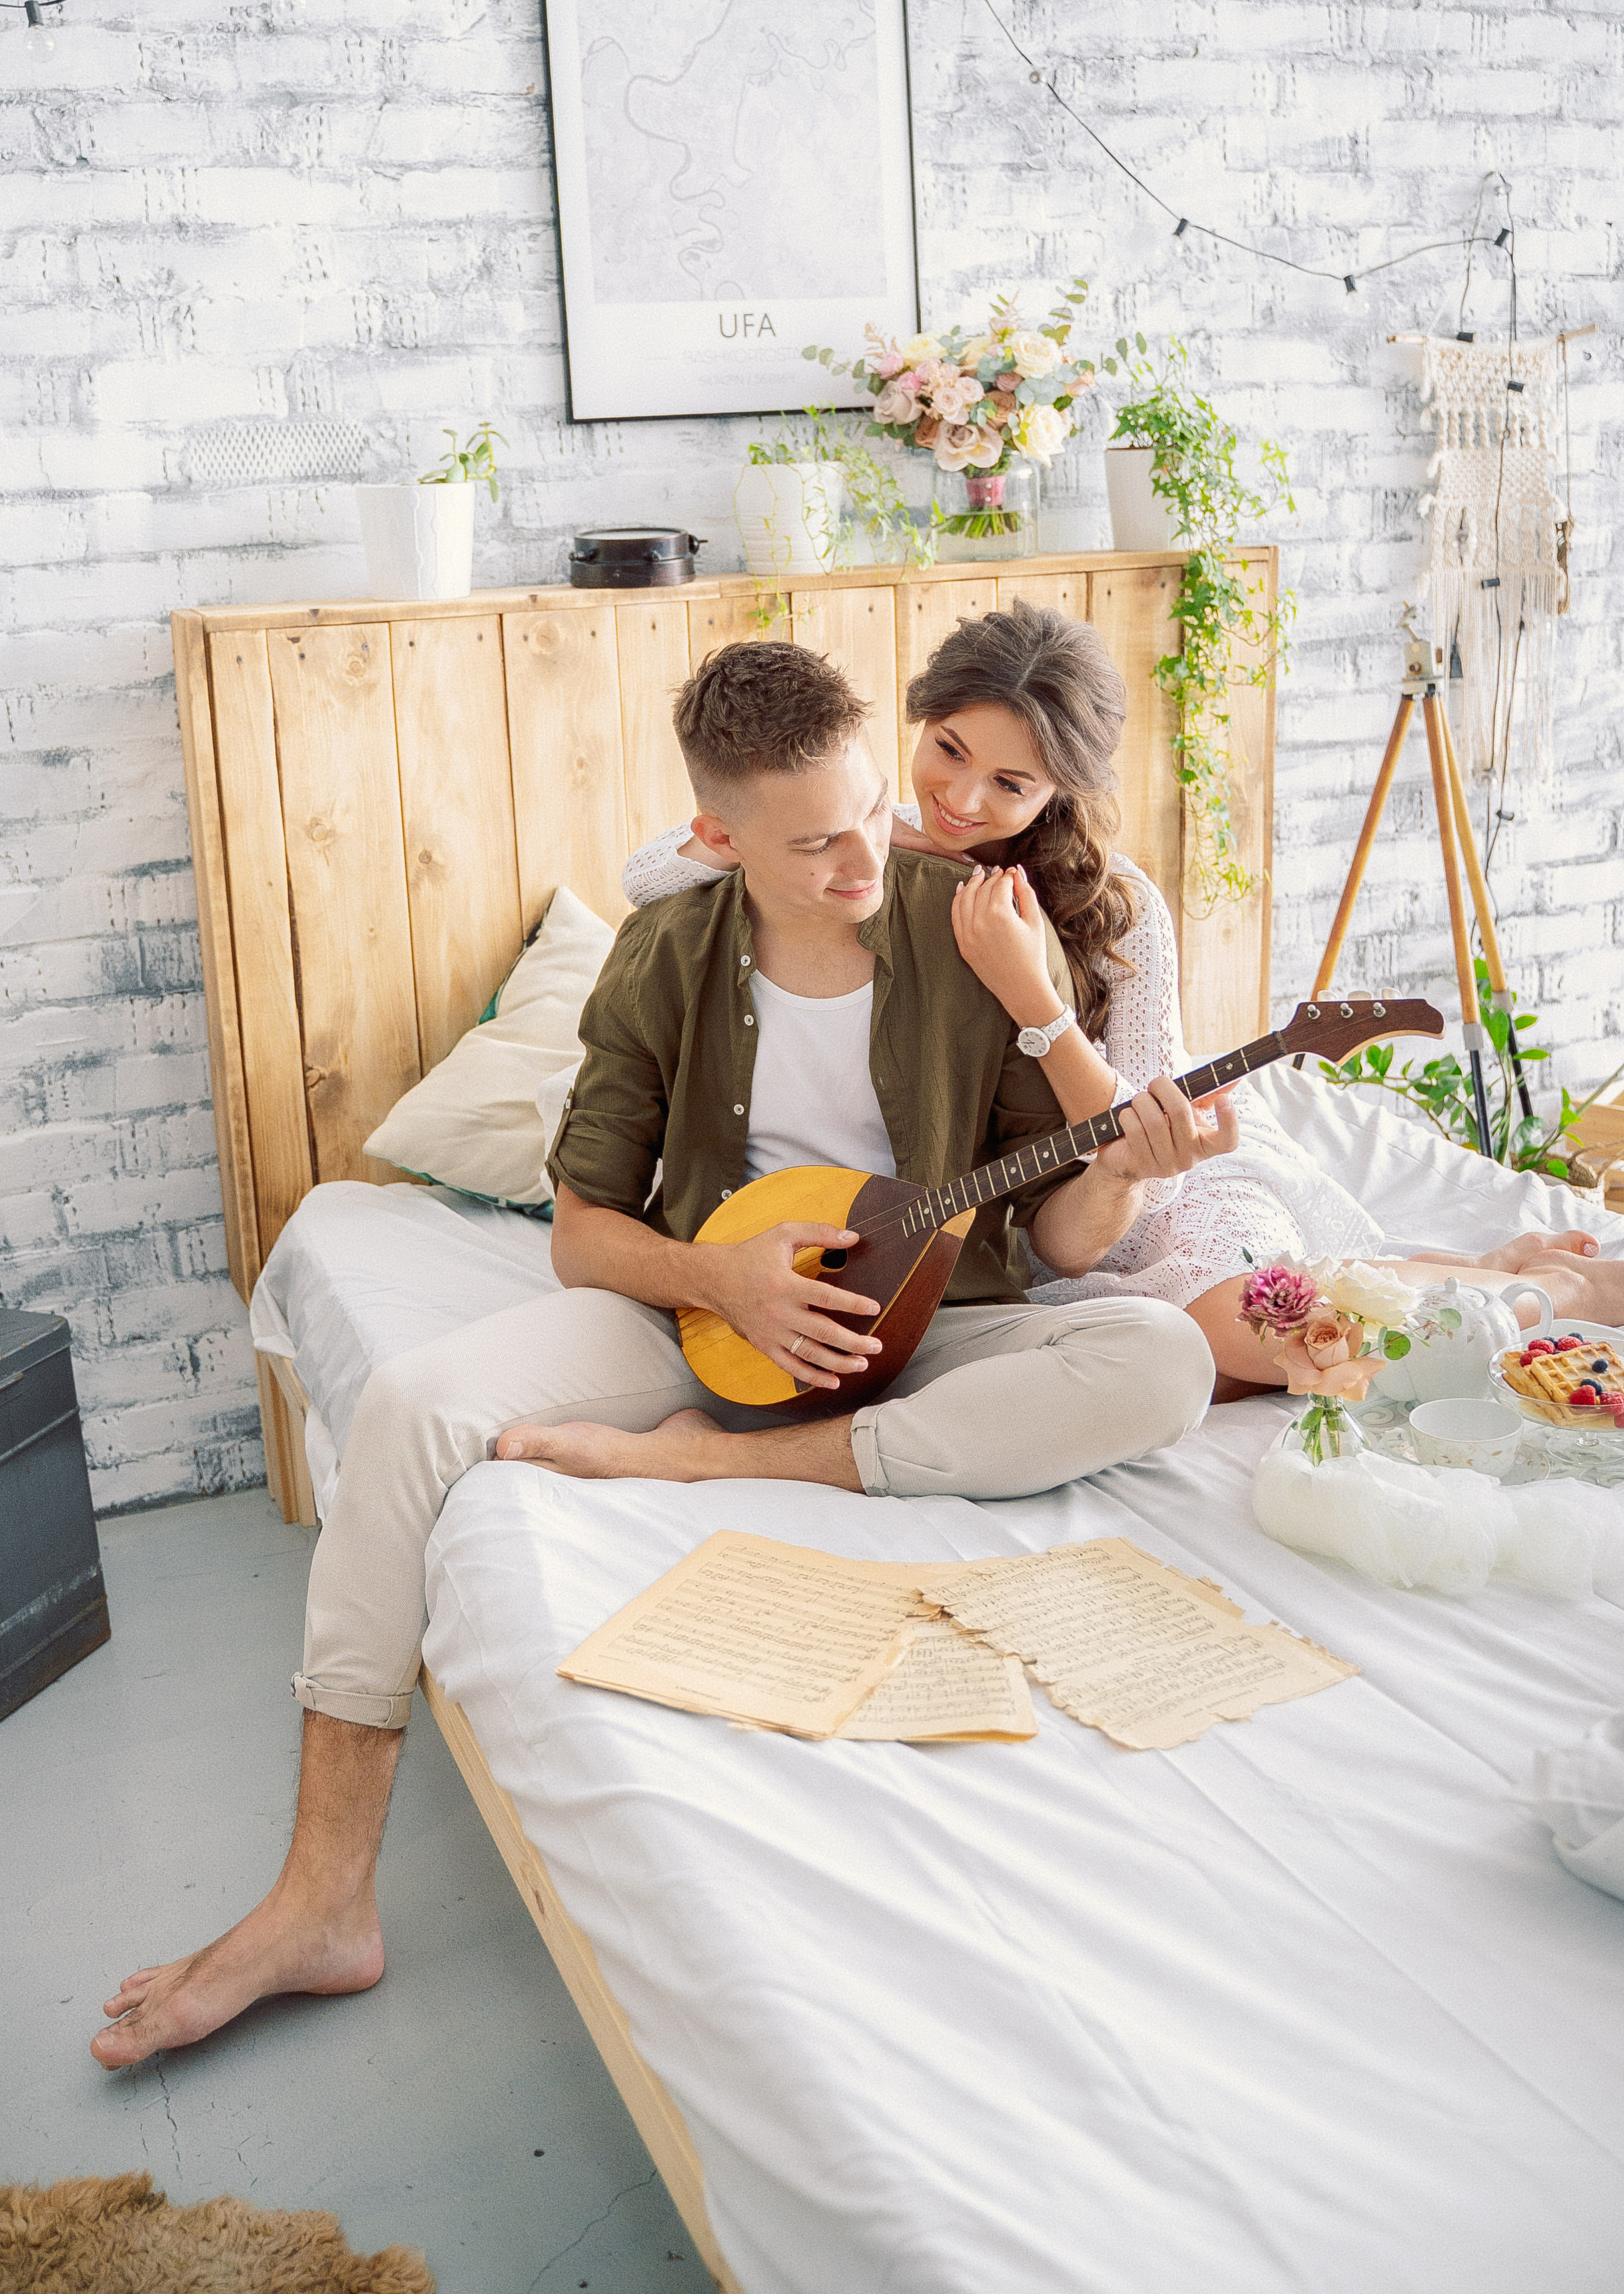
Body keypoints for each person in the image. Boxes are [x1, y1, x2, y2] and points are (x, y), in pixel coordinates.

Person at [92, 639, 1231, 2070]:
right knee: (408, 1409)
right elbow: (579, 1232)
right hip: (695, 1314)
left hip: (940, 1319)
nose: (863, 862)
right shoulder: (663, 950)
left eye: (868, 813)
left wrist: (1125, 1168)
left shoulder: (984, 933)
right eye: (813, 842)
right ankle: (321, 1900)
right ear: (715, 838)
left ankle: (717, 1465)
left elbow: (1063, 1247)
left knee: (1155, 1365)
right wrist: (721, 1281)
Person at [623, 601, 1623, 1383]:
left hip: (1146, 1199)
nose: (963, 800)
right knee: (1208, 1365)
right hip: (1026, 1226)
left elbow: (1156, 1160)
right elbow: (649, 874)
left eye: (1012, 785)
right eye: (950, 752)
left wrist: (1034, 1000)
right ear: (919, 722)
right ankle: (1498, 1272)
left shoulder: (1119, 910)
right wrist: (885, 831)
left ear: (1059, 792)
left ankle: (1539, 1282)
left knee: (1275, 1346)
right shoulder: (863, 843)